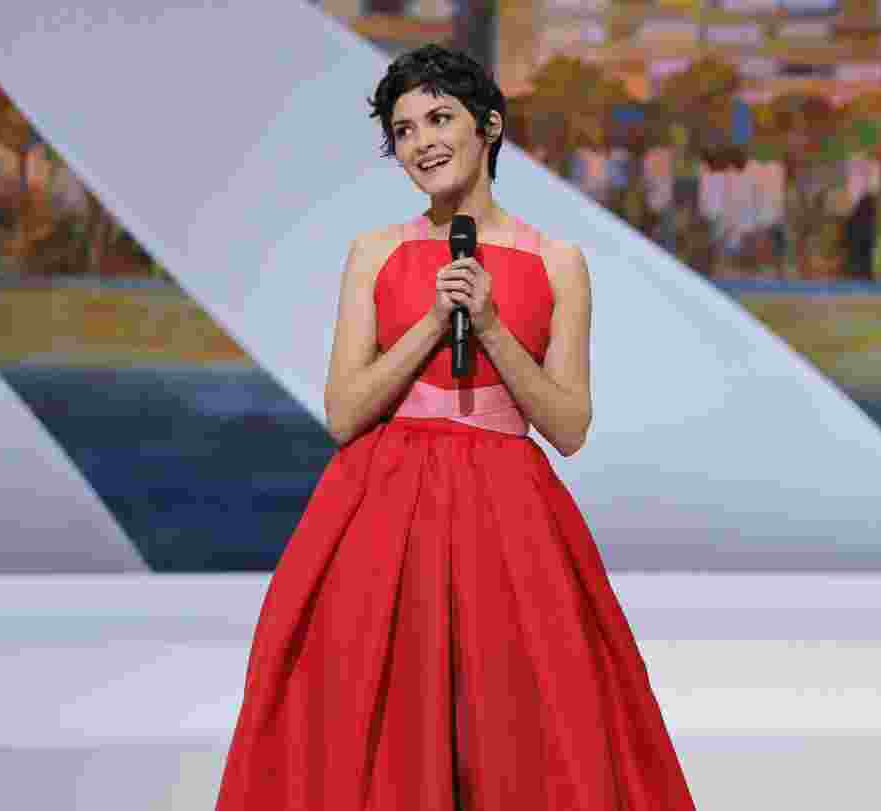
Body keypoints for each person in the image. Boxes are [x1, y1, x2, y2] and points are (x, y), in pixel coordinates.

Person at [214, 43, 697, 810]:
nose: (423, 142)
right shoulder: (374, 252)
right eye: (403, 130)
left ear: (489, 128)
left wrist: (495, 327)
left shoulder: (559, 261)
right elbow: (344, 411)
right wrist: (434, 320)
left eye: (440, 118)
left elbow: (569, 426)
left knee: (521, 727)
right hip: (381, 511)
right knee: (375, 723)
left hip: (509, 516)